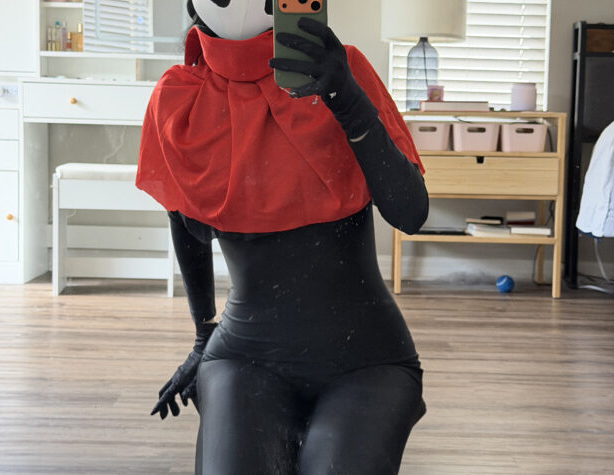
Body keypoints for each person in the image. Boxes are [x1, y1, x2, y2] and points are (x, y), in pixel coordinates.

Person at [137, 1, 429, 473]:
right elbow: (183, 216)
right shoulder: (178, 95)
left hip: (367, 358)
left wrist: (346, 97)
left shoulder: (343, 68)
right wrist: (202, 336)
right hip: (244, 355)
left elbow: (411, 213)